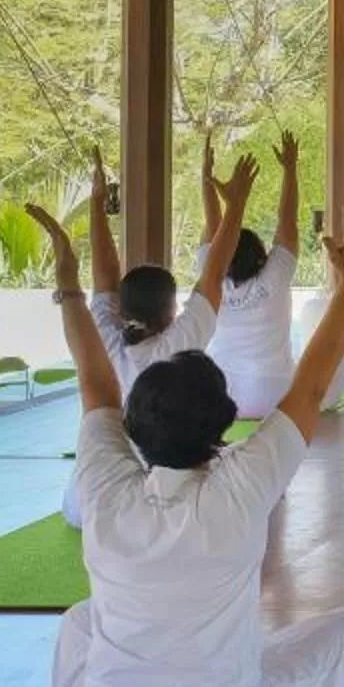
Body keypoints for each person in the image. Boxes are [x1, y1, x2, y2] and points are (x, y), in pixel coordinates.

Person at [36, 180, 344, 687]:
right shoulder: (244, 483)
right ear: (225, 423)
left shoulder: (104, 485)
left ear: (134, 427)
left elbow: (96, 383)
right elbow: (309, 385)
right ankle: (237, 673)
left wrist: (70, 281)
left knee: (79, 621)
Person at [59, 143, 256, 528]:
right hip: (147, 504)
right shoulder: (178, 345)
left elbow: (103, 275)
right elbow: (215, 271)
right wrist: (236, 205)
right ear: (171, 311)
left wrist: (98, 203)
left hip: (85, 502)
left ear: (123, 308)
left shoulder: (104, 332)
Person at [198, 130, 311, 423]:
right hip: (275, 397)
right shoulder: (273, 278)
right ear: (261, 256)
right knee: (339, 369)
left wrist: (206, 179)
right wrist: (290, 168)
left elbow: (214, 229)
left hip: (219, 397)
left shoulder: (211, 278)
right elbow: (287, 221)